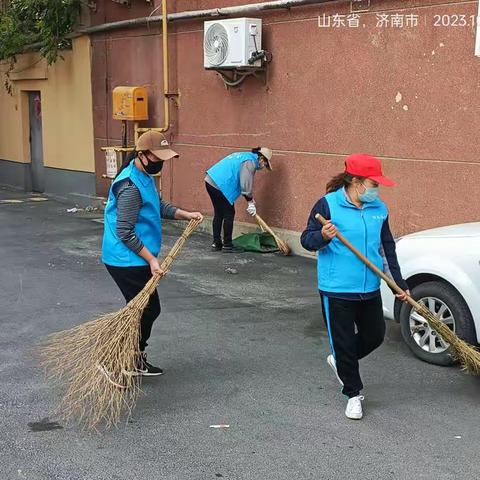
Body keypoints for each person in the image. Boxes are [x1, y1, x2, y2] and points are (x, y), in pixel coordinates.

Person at [300, 153, 409, 420]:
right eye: (373, 183)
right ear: (355, 181)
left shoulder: (379, 209)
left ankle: (341, 360)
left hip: (369, 286)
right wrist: (323, 236)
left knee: (375, 335)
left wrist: (397, 282)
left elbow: (387, 248)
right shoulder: (327, 206)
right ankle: (353, 393)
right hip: (337, 288)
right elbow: (306, 239)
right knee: (344, 341)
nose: (376, 189)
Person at [101, 130, 203, 380]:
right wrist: (151, 260)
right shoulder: (129, 186)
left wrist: (184, 214)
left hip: (135, 256)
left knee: (141, 310)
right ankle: (115, 360)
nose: (161, 163)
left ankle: (132, 357)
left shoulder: (144, 176)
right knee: (146, 310)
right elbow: (125, 231)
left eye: (163, 159)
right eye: (157, 157)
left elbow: (158, 206)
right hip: (125, 259)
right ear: (142, 154)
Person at [205, 147, 273, 252]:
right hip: (221, 185)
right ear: (261, 159)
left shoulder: (244, 155)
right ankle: (227, 245)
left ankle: (216, 243)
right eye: (265, 164)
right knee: (229, 213)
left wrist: (250, 199)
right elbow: (245, 184)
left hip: (211, 181)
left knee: (219, 213)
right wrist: (250, 202)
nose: (264, 166)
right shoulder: (250, 162)